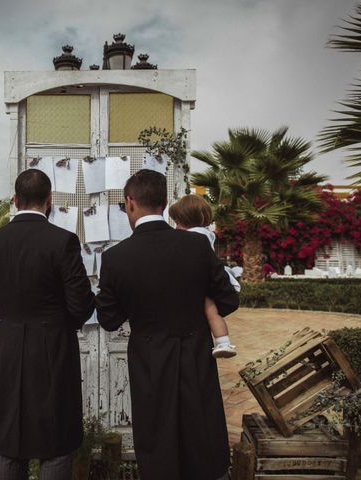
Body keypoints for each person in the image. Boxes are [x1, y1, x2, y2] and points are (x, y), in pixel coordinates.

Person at [96, 169, 239, 480]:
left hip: (149, 363)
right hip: (195, 358)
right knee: (202, 439)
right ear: (163, 203)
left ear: (130, 202)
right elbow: (228, 300)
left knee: (156, 441)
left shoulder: (116, 258)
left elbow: (108, 320)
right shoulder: (197, 247)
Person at [0, 169, 95, 480]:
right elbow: (80, 304)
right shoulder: (62, 242)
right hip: (53, 350)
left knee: (9, 439)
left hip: (7, 349)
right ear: (49, 201)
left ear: (14, 200)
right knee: (55, 440)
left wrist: (9, 310)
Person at [168, 194, 240, 358]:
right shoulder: (206, 233)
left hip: (202, 281)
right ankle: (223, 341)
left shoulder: (194, 237)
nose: (176, 227)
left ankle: (223, 341)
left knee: (211, 311)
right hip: (206, 279)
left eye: (177, 222)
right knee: (211, 312)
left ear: (185, 220)